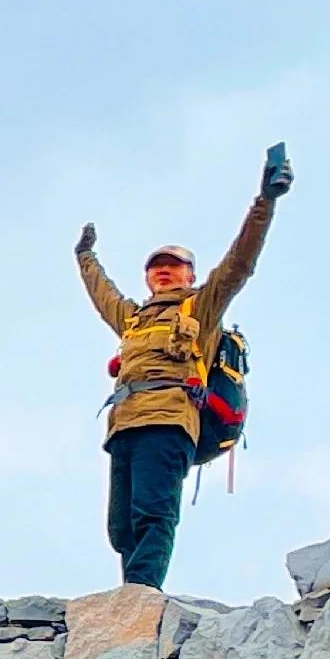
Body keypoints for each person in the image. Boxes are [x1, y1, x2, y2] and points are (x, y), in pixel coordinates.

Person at [76, 146, 292, 589]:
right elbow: (103, 296)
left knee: (153, 513)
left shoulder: (200, 309)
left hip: (171, 419)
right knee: (121, 528)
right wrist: (85, 258)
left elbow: (239, 264)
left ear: (190, 275)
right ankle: (133, 591)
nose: (164, 272)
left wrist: (264, 202)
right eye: (157, 267)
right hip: (124, 425)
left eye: (174, 266)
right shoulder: (134, 319)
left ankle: (141, 595)